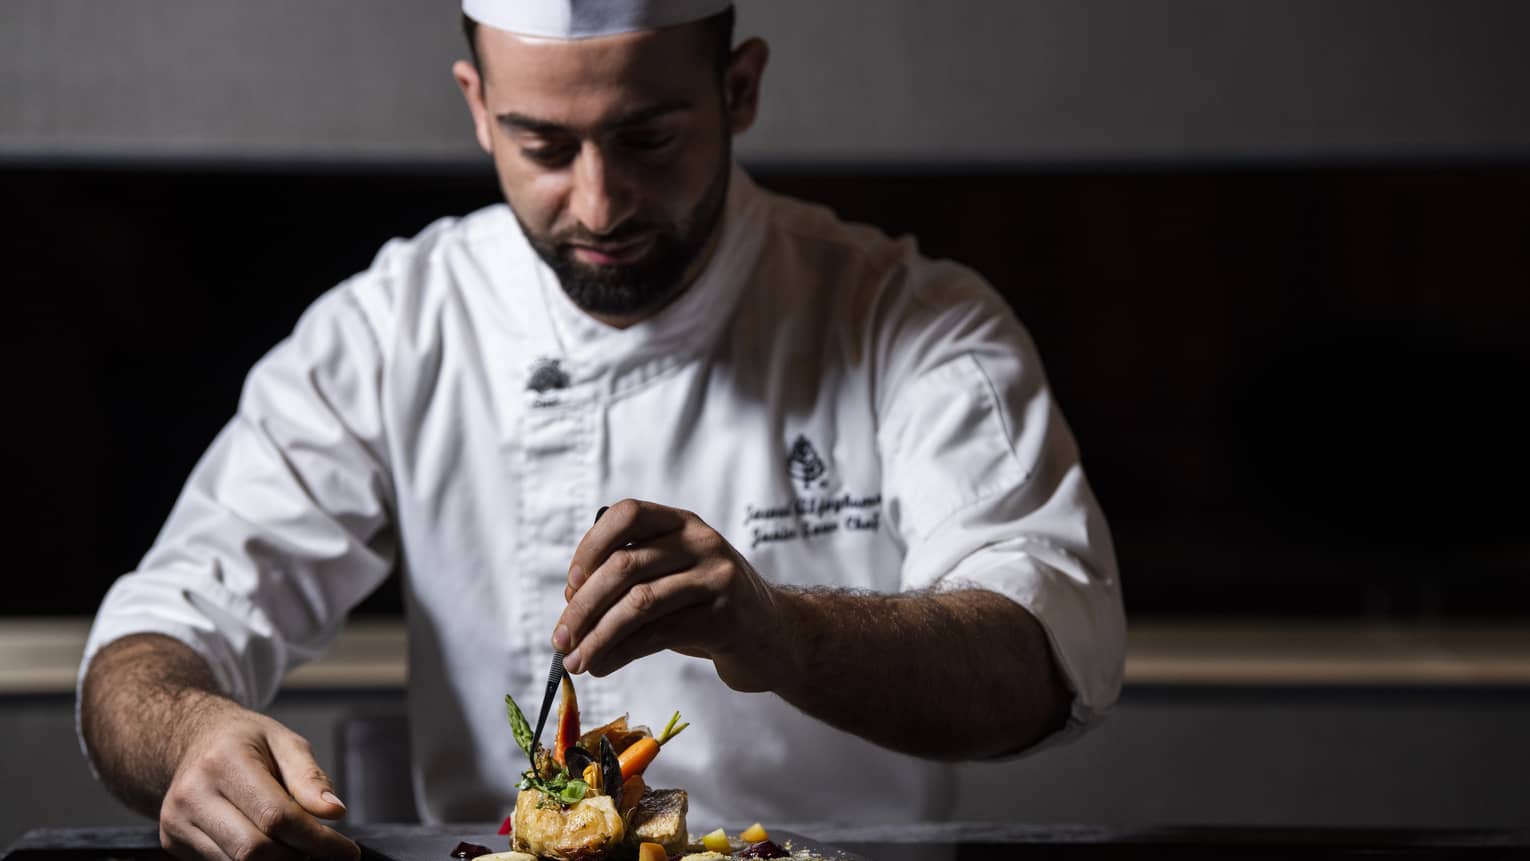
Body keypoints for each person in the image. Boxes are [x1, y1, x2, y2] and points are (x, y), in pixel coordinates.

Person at [77, 1, 1126, 859]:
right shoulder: (395, 327)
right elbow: (150, 642)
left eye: (648, 138)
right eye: (544, 145)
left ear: (740, 89)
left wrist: (782, 633)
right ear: (478, 108)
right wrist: (189, 735)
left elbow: (1047, 656)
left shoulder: (904, 317)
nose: (600, 202)